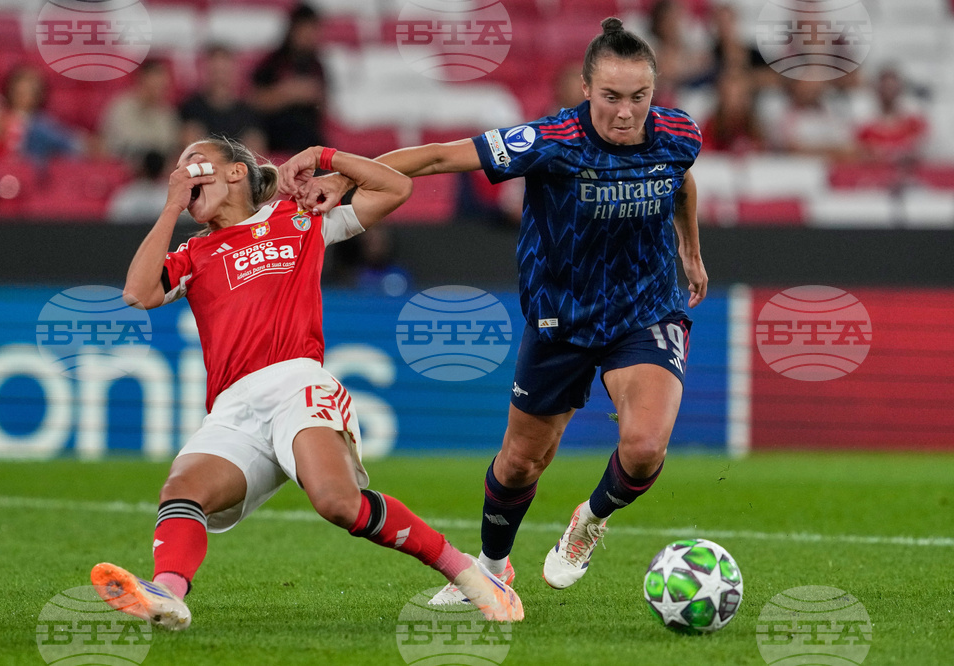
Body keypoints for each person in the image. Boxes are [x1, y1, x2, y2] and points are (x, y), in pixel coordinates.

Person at [283, 18, 707, 601]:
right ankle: (488, 567)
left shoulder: (679, 132)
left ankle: (590, 520)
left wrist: (690, 247)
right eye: (611, 97)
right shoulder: (548, 141)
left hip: (646, 310)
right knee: (518, 465)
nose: (626, 112)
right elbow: (436, 158)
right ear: (585, 89)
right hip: (562, 316)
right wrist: (342, 175)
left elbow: (679, 181)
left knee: (642, 449)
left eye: (639, 97)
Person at [89, 137, 523, 628]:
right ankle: (165, 593)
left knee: (338, 504)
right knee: (181, 489)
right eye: (179, 170)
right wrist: (169, 207)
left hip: (296, 382)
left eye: (196, 163)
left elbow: (395, 188)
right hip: (234, 407)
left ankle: (468, 574)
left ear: (235, 172)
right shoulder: (195, 252)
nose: (184, 175)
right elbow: (137, 292)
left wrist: (325, 159)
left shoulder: (298, 219)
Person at [250, 3, 326, 154]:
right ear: (293, 29)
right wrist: (289, 93)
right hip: (276, 138)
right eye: (305, 29)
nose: (309, 35)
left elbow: (322, 105)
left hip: (309, 140)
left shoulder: (316, 66)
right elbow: (253, 101)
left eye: (313, 29)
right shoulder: (273, 62)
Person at [179, 45, 265, 154]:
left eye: (224, 71)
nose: (220, 77)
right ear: (206, 72)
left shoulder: (248, 112)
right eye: (215, 71)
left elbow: (255, 150)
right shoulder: (191, 108)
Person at [101, 58, 180, 166]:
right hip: (124, 170)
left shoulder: (167, 114)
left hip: (158, 175)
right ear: (142, 80)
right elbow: (119, 146)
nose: (159, 89)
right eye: (155, 84)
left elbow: (170, 147)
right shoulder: (121, 107)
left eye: (163, 86)